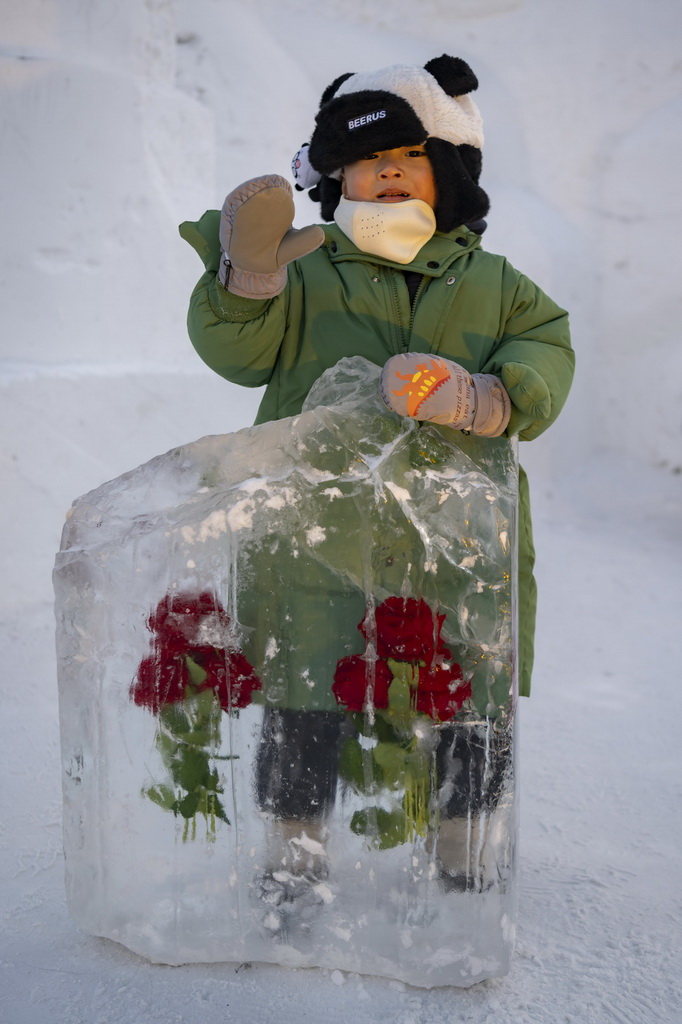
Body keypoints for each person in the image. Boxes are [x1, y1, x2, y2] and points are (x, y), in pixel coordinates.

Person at [179, 55, 574, 909]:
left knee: (467, 686)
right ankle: (295, 851)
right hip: (313, 529)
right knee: (304, 689)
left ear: (452, 172)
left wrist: (486, 397)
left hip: (459, 534)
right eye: (366, 159)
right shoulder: (307, 272)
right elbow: (238, 356)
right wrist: (249, 282)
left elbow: (547, 347)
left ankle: (467, 850)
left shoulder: (496, 284)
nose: (387, 170)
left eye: (409, 153)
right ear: (333, 177)